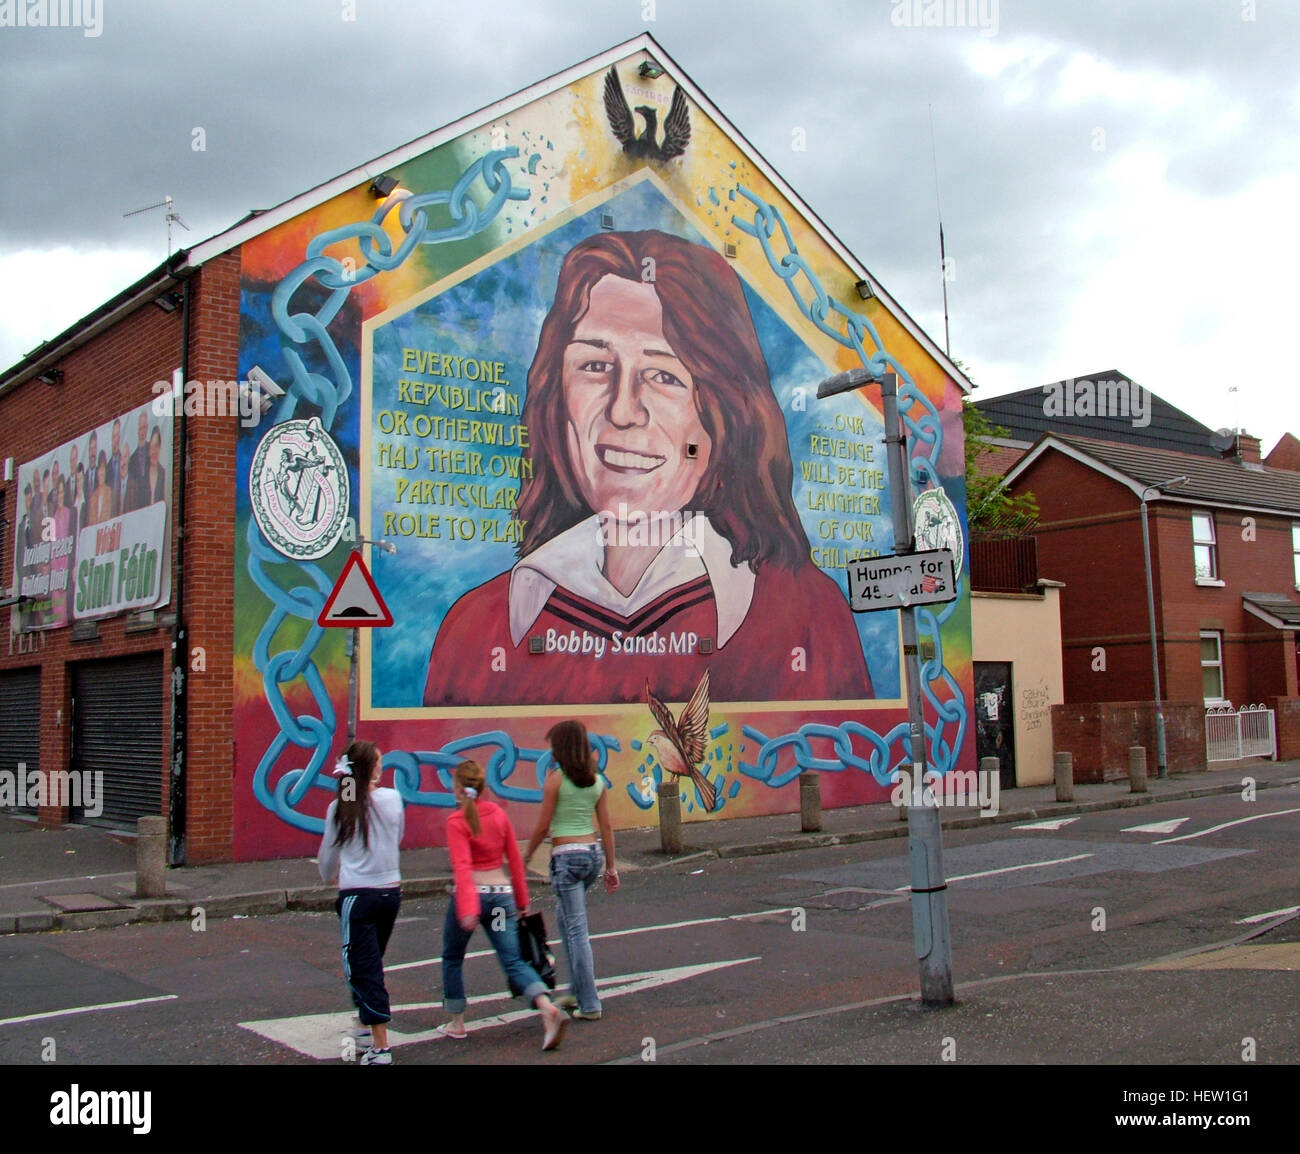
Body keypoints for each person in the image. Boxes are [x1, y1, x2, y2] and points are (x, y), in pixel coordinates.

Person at [424, 229, 873, 707]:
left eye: (663, 376)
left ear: (723, 413)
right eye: (595, 366)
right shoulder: (480, 627)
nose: (622, 410)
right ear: (556, 398)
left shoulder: (802, 615)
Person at [441, 759, 567, 1050]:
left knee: (452, 956)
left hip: (474, 895)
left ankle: (457, 1022)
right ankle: (547, 1007)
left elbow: (462, 867)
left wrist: (469, 908)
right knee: (512, 960)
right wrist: (522, 901)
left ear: (459, 789)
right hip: (500, 898)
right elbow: (516, 860)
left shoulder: (456, 821)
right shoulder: (498, 814)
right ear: (483, 787)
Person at [524, 720, 619, 1021]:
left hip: (566, 858)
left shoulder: (555, 779)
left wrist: (525, 855)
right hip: (592, 856)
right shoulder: (597, 779)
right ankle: (577, 992)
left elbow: (542, 826)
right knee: (567, 924)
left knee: (576, 931)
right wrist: (611, 867)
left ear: (561, 747)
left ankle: (590, 1004)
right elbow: (606, 826)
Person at [317, 740, 404, 1066]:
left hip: (357, 895)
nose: (382, 766)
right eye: (379, 761)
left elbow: (328, 857)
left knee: (362, 968)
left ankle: (380, 1047)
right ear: (371, 769)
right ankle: (366, 1028)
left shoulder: (341, 806)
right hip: (390, 893)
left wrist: (328, 875)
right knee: (371, 961)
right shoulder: (393, 799)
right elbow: (397, 839)